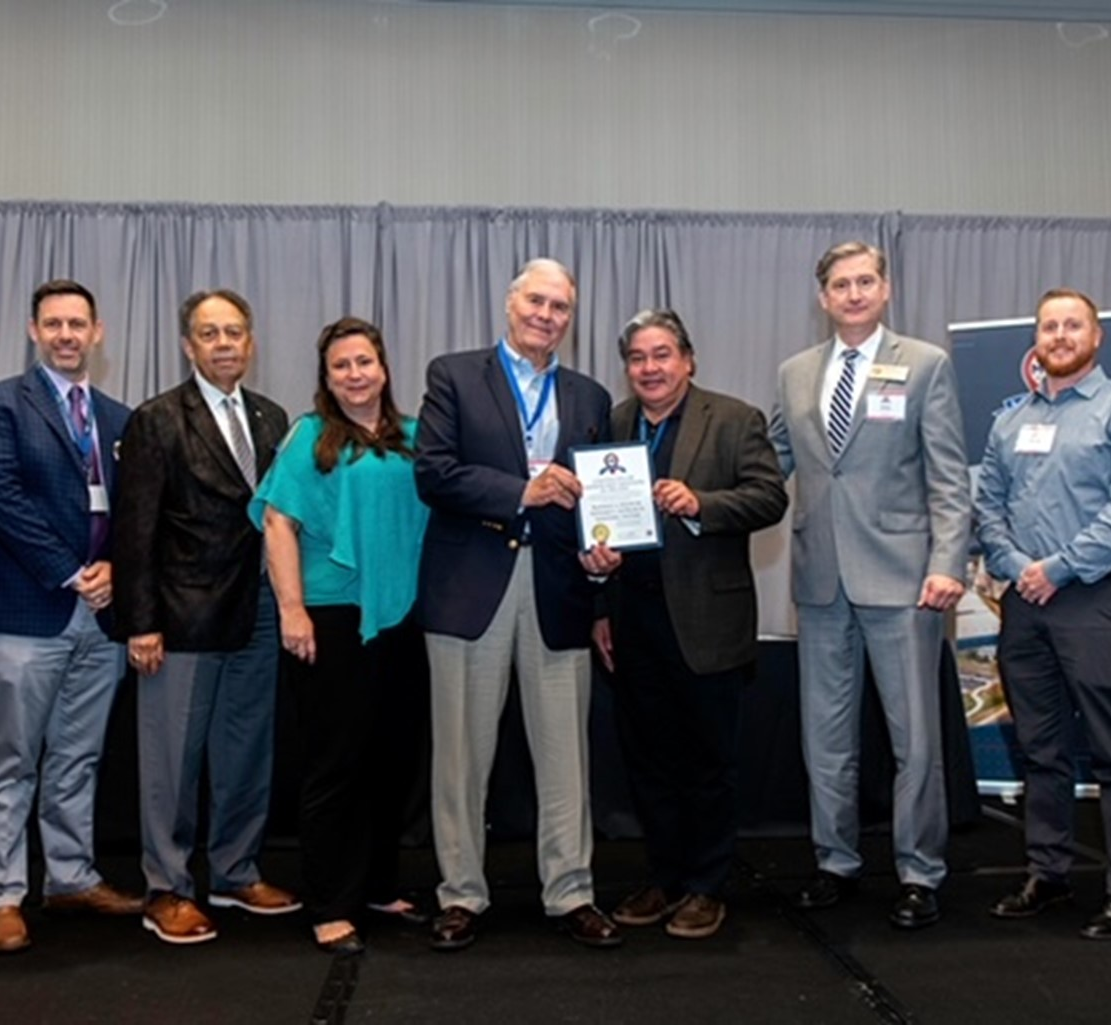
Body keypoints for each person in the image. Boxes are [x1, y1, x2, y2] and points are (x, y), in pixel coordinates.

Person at [414, 257, 619, 951]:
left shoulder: (590, 396)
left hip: (559, 590)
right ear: (510, 303)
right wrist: (520, 492)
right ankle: (461, 893)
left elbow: (597, 496)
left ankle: (572, 892)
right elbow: (433, 472)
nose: (546, 316)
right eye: (537, 301)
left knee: (565, 757)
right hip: (470, 587)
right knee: (461, 756)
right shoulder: (453, 375)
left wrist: (601, 552)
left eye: (560, 307)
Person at [769, 241, 969, 929]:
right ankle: (835, 861)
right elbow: (769, 462)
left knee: (915, 740)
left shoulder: (925, 364)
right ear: (822, 297)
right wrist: (702, 496)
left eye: (864, 282)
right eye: (840, 285)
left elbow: (949, 476)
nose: (853, 294)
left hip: (905, 579)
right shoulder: (795, 373)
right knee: (824, 737)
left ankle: (919, 871)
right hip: (820, 578)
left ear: (884, 290)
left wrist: (948, 561)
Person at [975, 288, 1111, 941]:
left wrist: (1055, 568)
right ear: (1035, 339)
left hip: (1098, 600)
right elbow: (988, 505)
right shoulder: (1010, 422)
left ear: (1097, 335)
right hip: (1025, 606)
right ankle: (1049, 872)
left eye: (1073, 325)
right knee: (1041, 750)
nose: (1060, 336)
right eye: (1049, 326)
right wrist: (1015, 564)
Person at [592, 310, 786, 939]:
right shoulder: (614, 423)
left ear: (688, 359)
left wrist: (701, 503)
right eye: (638, 358)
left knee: (707, 762)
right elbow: (598, 521)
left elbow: (770, 496)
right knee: (648, 762)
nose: (650, 368)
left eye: (662, 355)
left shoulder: (733, 418)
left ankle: (706, 885)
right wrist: (600, 603)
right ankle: (665, 876)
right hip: (631, 618)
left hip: (707, 619)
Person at [0, 280, 143, 954]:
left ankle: (70, 876)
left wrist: (116, 567)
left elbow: (136, 508)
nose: (67, 334)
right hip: (26, 609)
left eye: (78, 323)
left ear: (98, 332)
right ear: (34, 331)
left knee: (78, 755)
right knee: (10, 757)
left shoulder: (120, 419)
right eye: (54, 323)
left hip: (102, 614)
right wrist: (71, 570)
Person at [112, 289, 295, 944]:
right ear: (188, 345)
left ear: (251, 342)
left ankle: (235, 870)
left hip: (257, 608)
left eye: (234, 332)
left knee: (246, 750)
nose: (224, 344)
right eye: (210, 333)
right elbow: (135, 531)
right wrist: (141, 622)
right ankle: (166, 887)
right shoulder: (157, 419)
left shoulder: (272, 417)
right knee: (172, 761)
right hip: (180, 617)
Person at [251, 317, 431, 956]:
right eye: (341, 366)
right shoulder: (311, 437)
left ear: (383, 367)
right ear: (326, 378)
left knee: (392, 761)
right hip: (329, 618)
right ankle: (330, 905)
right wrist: (291, 609)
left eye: (364, 362)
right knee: (336, 765)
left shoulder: (415, 437)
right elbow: (277, 523)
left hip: (402, 618)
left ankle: (378, 886)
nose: (355, 375)